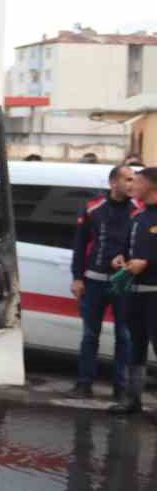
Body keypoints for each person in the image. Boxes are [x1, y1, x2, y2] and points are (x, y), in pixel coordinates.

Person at [70, 165, 138, 400]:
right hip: (94, 282)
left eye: (135, 180)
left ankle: (120, 387)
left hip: (125, 284)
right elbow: (79, 245)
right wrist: (77, 277)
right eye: (128, 179)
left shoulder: (139, 210)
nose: (132, 184)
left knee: (125, 336)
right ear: (113, 183)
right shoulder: (93, 208)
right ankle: (84, 383)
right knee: (90, 335)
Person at [112, 167, 157, 417]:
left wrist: (149, 263)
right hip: (135, 292)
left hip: (155, 293)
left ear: (151, 186)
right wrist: (121, 257)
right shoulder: (138, 216)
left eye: (136, 182)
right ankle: (133, 400)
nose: (132, 187)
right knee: (135, 344)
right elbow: (125, 245)